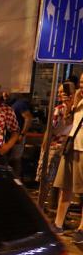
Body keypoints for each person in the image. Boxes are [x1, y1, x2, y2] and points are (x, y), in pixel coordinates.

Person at [52, 81, 83, 244]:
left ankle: (81, 229)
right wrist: (72, 104)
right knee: (65, 187)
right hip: (71, 147)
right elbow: (68, 122)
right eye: (82, 82)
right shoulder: (78, 101)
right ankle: (58, 223)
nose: (82, 86)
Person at [5, 92, 34, 178]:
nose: (5, 94)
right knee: (12, 159)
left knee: (15, 159)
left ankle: (16, 180)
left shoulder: (20, 103)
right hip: (10, 136)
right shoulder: (11, 103)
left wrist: (22, 134)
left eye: (7, 92)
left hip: (17, 136)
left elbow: (28, 118)